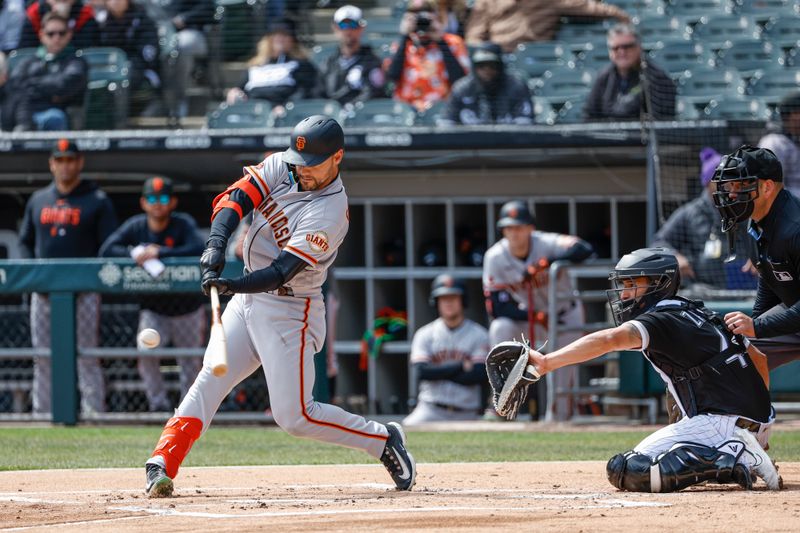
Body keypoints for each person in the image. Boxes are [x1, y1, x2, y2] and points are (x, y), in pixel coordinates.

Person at [143, 115, 416, 498]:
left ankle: (383, 439)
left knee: (295, 417)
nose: (301, 170)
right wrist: (214, 247)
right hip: (249, 300)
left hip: (292, 311)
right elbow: (234, 199)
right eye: (297, 161)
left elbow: (283, 271)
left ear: (337, 157)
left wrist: (232, 283)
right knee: (210, 378)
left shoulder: (331, 210)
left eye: (312, 164)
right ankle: (162, 461)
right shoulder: (282, 165)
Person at [487, 247, 781, 492]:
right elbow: (759, 359)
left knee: (627, 469)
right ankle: (738, 457)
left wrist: (547, 362)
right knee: (674, 394)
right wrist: (758, 425)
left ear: (659, 283)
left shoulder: (661, 318)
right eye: (624, 285)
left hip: (723, 423)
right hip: (756, 420)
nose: (625, 293)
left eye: (632, 285)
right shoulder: (695, 311)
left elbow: (609, 339)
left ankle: (735, 454)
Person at [18, 139, 118, 416]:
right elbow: (25, 241)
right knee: (43, 356)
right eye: (60, 160)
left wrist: (93, 277)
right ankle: (43, 412)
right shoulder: (38, 199)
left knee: (87, 353)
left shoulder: (96, 199)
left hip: (84, 290)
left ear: (80, 162)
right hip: (44, 290)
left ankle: (93, 410)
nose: (65, 165)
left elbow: (108, 244)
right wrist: (33, 274)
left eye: (70, 159)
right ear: (51, 164)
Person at [99, 176, 205, 412]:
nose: (158, 203)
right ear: (144, 202)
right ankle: (158, 405)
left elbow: (198, 248)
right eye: (152, 199)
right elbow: (107, 249)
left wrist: (161, 252)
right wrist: (134, 252)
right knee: (145, 354)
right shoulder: (136, 226)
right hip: (154, 308)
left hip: (187, 308)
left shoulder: (182, 223)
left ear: (173, 202)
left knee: (190, 362)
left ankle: (189, 410)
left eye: (163, 198)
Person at [482, 200, 593, 420]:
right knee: (500, 327)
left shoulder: (546, 242)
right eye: (509, 227)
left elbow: (585, 249)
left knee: (561, 383)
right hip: (530, 319)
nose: (514, 233)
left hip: (564, 315)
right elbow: (496, 306)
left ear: (531, 227)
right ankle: (503, 399)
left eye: (519, 226)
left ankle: (559, 422)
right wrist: (532, 316)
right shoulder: (494, 256)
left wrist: (548, 261)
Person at [712, 145, 800, 371]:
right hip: (794, 316)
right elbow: (770, 276)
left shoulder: (795, 228)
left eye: (741, 185)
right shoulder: (757, 220)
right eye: (731, 185)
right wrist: (753, 327)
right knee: (734, 357)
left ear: (768, 187)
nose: (732, 194)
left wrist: (758, 326)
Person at [653, 147, 757, 292]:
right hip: (704, 291)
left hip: (746, 289)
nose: (727, 185)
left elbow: (768, 237)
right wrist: (675, 257)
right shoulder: (689, 213)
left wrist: (759, 256)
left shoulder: (746, 207)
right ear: (708, 182)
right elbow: (659, 242)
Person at [403, 275, 489, 425]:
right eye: (443, 298)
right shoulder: (425, 334)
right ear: (436, 302)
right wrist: (461, 366)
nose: (448, 302)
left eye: (453, 297)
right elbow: (422, 372)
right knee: (406, 430)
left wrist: (437, 372)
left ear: (463, 300)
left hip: (467, 412)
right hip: (430, 409)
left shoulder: (479, 334)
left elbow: (479, 375)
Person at [1, 12, 88, 132]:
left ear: (69, 34)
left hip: (56, 113)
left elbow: (65, 85)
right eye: (51, 34)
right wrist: (49, 91)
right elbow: (13, 86)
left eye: (61, 33)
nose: (56, 38)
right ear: (41, 35)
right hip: (22, 113)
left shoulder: (76, 62)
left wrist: (31, 85)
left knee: (54, 118)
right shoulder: (28, 62)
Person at [385, 0, 470, 112]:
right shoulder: (401, 45)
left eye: (427, 10)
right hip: (406, 111)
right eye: (415, 11)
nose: (421, 16)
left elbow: (460, 81)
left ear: (436, 15)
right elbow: (392, 78)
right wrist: (405, 36)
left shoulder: (453, 43)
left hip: (443, 110)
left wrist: (440, 41)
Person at [584, 23, 675, 121]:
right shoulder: (603, 77)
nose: (622, 52)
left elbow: (662, 124)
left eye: (627, 46)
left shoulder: (657, 78)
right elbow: (590, 117)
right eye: (616, 48)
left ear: (639, 47)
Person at [465, 0, 630, 53]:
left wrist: (619, 14)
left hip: (533, 55)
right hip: (497, 56)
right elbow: (473, 35)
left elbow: (586, 6)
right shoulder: (487, 1)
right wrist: (483, 52)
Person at [225, 18, 317, 107]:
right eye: (275, 34)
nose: (279, 38)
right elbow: (240, 88)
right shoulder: (255, 65)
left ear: (293, 40)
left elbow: (305, 92)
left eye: (285, 35)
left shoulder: (301, 64)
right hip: (253, 110)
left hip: (283, 113)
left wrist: (286, 107)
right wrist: (234, 92)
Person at [442, 42, 533, 125]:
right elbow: (446, 123)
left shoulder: (516, 87)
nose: (487, 70)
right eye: (481, 66)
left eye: (492, 65)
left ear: (500, 66)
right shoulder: (462, 89)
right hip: (469, 142)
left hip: (509, 141)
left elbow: (525, 125)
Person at [96, 0, 161, 116]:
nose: (115, 2)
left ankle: (119, 119)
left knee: (123, 78)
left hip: (139, 69)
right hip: (108, 67)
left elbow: (148, 54)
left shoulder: (141, 19)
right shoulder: (100, 21)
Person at [158, 0, 215, 125]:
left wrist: (185, 18)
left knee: (181, 46)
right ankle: (160, 99)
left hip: (191, 33)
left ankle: (178, 102)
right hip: (161, 34)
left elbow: (209, 8)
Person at [315, 5, 385, 105]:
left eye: (353, 25)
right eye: (343, 25)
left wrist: (350, 109)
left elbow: (374, 94)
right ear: (335, 28)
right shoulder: (327, 64)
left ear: (361, 28)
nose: (348, 31)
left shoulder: (373, 62)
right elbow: (319, 95)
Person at [758, 90, 800, 197]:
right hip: (787, 205)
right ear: (789, 115)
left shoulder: (795, 138)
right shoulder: (774, 142)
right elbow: (770, 186)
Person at [19, 0, 99, 50]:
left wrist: (64, 20)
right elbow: (26, 50)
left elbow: (86, 49)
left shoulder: (85, 13)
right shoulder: (35, 13)